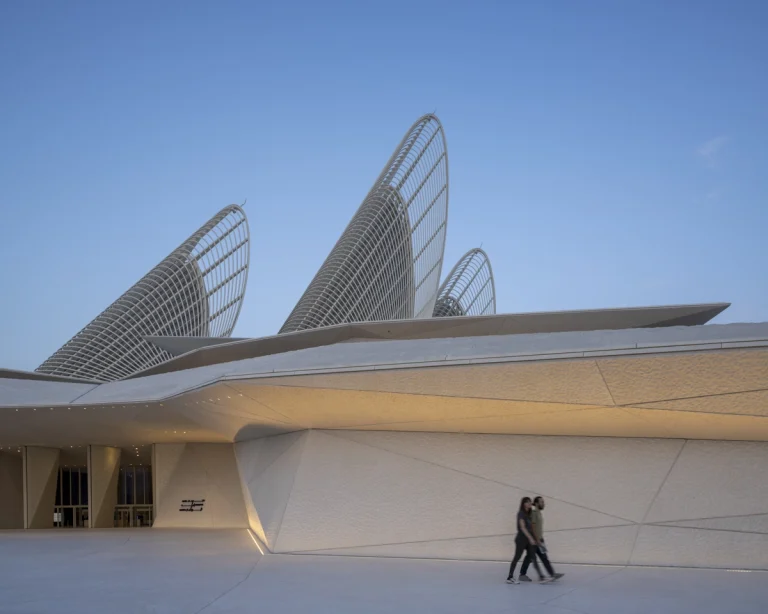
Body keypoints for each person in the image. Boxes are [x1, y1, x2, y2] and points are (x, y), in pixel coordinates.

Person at [519, 496, 564, 582]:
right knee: (530, 558)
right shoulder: (534, 513)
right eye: (541, 502)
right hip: (534, 540)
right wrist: (536, 539)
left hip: (539, 539)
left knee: (542, 557)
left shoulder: (539, 513)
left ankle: (552, 574)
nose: (543, 504)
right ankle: (523, 574)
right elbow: (533, 527)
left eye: (543, 502)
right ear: (536, 503)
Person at [506, 497, 548, 584]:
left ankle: (541, 577)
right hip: (521, 539)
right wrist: (530, 538)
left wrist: (536, 539)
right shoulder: (521, 514)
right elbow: (523, 527)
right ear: (523, 504)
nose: (529, 504)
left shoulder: (529, 515)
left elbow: (531, 528)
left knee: (533, 557)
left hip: (529, 540)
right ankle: (510, 577)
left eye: (530, 502)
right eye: (527, 502)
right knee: (517, 557)